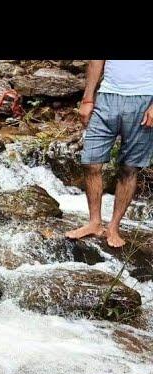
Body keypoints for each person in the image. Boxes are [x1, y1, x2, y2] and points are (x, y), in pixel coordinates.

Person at [66, 60, 153, 247]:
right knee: (91, 163)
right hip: (106, 96)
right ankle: (94, 223)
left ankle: (113, 227)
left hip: (144, 97)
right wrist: (88, 98)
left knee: (129, 168)